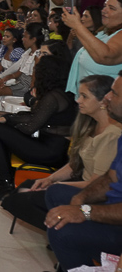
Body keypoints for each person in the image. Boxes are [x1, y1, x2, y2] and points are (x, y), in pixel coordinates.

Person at [1, 75, 120, 231]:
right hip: (80, 183)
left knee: (18, 200)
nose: (78, 100)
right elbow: (74, 164)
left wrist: (56, 185)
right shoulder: (90, 125)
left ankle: (68, 228)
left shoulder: (111, 135)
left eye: (84, 96)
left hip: (91, 193)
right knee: (26, 187)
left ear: (102, 102)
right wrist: (50, 179)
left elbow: (96, 184)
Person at [43, 70, 122, 271]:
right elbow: (110, 177)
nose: (108, 97)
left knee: (62, 232)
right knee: (55, 193)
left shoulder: (113, 133)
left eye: (115, 93)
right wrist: (81, 198)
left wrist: (84, 211)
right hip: (111, 205)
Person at [0, 55, 77, 200]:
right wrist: (8, 119)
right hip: (54, 147)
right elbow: (35, 118)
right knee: (2, 128)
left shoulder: (53, 96)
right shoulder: (61, 93)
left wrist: (10, 123)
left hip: (50, 152)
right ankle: (4, 174)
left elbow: (30, 126)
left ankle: (6, 182)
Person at [63, 0, 122, 95]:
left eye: (111, 8)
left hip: (104, 101)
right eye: (105, 6)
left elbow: (105, 56)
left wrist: (77, 25)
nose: (103, 10)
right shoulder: (103, 32)